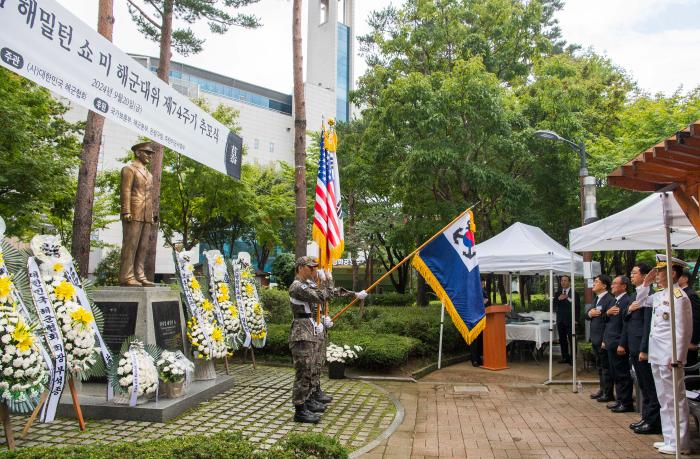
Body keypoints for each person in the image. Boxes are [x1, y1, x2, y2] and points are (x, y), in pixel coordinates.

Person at [288, 256, 366, 423]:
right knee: (303, 372)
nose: (314, 271)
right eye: (311, 268)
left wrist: (354, 295)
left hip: (311, 329)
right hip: (302, 333)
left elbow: (326, 295)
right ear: (300, 267)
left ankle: (307, 401)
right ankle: (300, 410)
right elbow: (323, 296)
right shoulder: (296, 287)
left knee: (312, 368)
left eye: (315, 268)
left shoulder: (308, 284)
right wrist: (328, 280)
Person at [639, 256, 692, 455]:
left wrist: (677, 356)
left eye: (660, 271)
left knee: (675, 398)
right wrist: (645, 283)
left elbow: (683, 330)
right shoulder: (661, 295)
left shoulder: (679, 297)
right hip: (657, 354)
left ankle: (681, 442)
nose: (657, 274)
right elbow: (642, 301)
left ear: (672, 273)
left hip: (670, 356)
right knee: (664, 398)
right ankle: (669, 438)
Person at [621, 262, 660, 434]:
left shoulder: (651, 296)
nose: (631, 276)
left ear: (645, 276)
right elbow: (625, 317)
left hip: (642, 348)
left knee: (649, 386)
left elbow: (647, 326)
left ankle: (652, 422)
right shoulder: (634, 296)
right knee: (643, 386)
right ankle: (646, 418)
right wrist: (628, 310)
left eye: (634, 273)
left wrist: (644, 349)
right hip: (634, 346)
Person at [119, 142, 157, 287]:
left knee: (142, 246)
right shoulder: (129, 169)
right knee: (131, 245)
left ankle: (139, 275)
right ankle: (126, 276)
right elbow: (126, 191)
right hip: (133, 211)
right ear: (137, 153)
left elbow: (149, 195)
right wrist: (126, 210)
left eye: (151, 154)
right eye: (147, 153)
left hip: (146, 213)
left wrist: (152, 213)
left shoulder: (149, 174)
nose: (149, 156)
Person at [604, 275, 633, 412]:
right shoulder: (614, 301)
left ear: (624, 286)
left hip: (618, 344)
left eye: (615, 283)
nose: (612, 286)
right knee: (615, 373)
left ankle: (626, 403)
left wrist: (622, 344)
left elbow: (626, 325)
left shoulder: (627, 301)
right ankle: (620, 399)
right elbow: (608, 323)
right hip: (611, 342)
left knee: (622, 374)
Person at [586, 274, 616, 402]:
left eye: (596, 281)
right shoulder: (596, 299)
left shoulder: (610, 300)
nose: (593, 283)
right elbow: (587, 315)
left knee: (606, 367)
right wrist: (589, 313)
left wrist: (605, 339)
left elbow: (610, 320)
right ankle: (602, 389)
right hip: (595, 338)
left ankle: (608, 393)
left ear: (604, 285)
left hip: (603, 338)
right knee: (599, 366)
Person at [554, 275, 580, 365]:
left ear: (569, 282)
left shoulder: (574, 293)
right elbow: (554, 305)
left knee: (572, 339)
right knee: (562, 339)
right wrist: (558, 299)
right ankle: (565, 357)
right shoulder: (557, 293)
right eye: (562, 280)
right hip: (560, 320)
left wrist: (576, 319)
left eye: (565, 280)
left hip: (570, 320)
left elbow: (577, 307)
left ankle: (573, 359)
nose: (563, 282)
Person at [678, 270, 700, 371]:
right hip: (679, 340)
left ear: (685, 279)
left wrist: (693, 341)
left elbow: (695, 319)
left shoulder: (691, 295)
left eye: (679, 276)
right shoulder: (678, 294)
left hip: (688, 342)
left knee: (689, 371)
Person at [470, 279, 490, 367]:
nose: (482, 284)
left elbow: (488, 304)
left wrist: (486, 303)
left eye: (483, 283)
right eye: (481, 283)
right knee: (474, 340)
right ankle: (474, 360)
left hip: (482, 319)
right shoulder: (472, 292)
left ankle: (479, 359)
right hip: (473, 319)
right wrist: (482, 302)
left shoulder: (484, 292)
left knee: (480, 340)